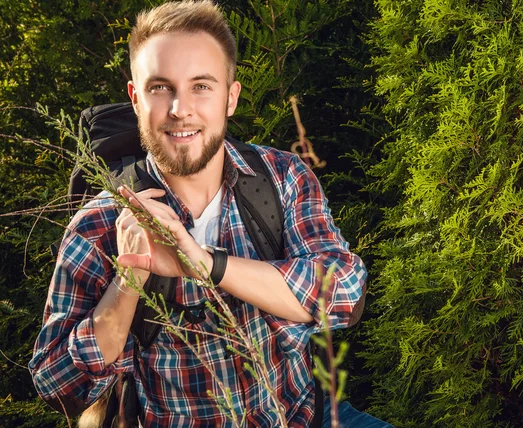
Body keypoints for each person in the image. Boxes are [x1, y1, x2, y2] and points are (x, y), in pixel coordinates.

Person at [28, 1, 392, 427]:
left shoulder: (280, 178)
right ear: (135, 98)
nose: (181, 108)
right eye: (160, 87)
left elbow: (344, 292)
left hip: (301, 415)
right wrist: (129, 281)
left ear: (230, 97)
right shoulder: (98, 225)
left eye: (201, 86)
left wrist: (206, 264)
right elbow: (58, 386)